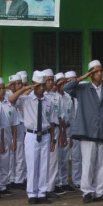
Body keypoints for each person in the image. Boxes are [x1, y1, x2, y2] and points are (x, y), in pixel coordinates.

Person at [64, 60, 103, 203]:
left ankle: (100, 192)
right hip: (87, 132)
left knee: (102, 164)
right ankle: (87, 192)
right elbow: (66, 88)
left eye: (100, 71)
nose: (99, 74)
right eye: (96, 71)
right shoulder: (82, 89)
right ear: (91, 74)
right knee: (88, 163)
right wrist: (83, 77)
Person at [9, 71, 56, 204]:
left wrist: (53, 139)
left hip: (46, 135)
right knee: (32, 165)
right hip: (31, 135)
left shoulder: (49, 101)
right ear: (34, 86)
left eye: (43, 85)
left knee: (44, 165)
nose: (43, 88)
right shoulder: (26, 99)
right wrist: (24, 88)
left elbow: (52, 122)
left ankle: (42, 193)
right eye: (40, 85)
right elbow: (11, 100)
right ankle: (32, 194)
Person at [0, 77, 18, 196]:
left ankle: (2, 186)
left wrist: (7, 141)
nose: (2, 91)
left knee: (3, 163)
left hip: (3, 137)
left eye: (4, 88)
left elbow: (7, 124)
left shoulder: (7, 104)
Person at [43, 69, 66, 197]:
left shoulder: (57, 97)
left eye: (52, 80)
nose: (51, 82)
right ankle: (40, 187)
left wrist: (62, 134)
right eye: (48, 80)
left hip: (55, 130)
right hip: (42, 131)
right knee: (41, 161)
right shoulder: (39, 96)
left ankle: (50, 188)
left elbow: (61, 118)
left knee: (53, 160)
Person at [54, 73, 76, 192]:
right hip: (59, 130)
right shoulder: (54, 97)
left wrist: (71, 135)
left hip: (67, 129)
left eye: (65, 83)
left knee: (65, 158)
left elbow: (71, 116)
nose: (63, 85)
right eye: (61, 83)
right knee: (57, 157)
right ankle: (57, 183)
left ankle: (64, 182)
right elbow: (58, 117)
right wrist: (62, 133)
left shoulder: (68, 97)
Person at [8, 73, 27, 189]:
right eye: (18, 83)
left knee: (20, 154)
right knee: (10, 154)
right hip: (8, 128)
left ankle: (19, 179)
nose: (20, 85)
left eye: (21, 83)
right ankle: (11, 178)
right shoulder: (6, 95)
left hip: (20, 126)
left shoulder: (22, 96)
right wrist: (9, 85)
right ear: (12, 85)